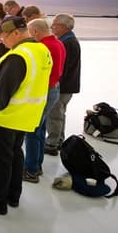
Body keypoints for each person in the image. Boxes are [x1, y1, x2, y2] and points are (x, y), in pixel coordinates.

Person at [0, 16, 51, 215]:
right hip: (26, 117)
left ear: (16, 33)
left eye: (4, 36)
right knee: (15, 156)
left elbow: (3, 93)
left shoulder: (18, 57)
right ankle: (13, 195)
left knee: (1, 160)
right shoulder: (41, 50)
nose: (2, 40)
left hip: (5, 118)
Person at [22, 18, 65, 183]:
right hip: (53, 89)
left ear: (35, 32)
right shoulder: (58, 43)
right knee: (39, 129)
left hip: (44, 91)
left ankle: (31, 169)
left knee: (32, 130)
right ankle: (36, 164)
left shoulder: (43, 47)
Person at [45, 13, 81, 155]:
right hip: (67, 85)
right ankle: (58, 140)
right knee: (59, 114)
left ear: (63, 27)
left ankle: (52, 143)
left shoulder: (67, 43)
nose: (52, 27)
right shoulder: (68, 40)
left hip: (63, 87)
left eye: (55, 25)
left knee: (55, 115)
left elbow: (63, 68)